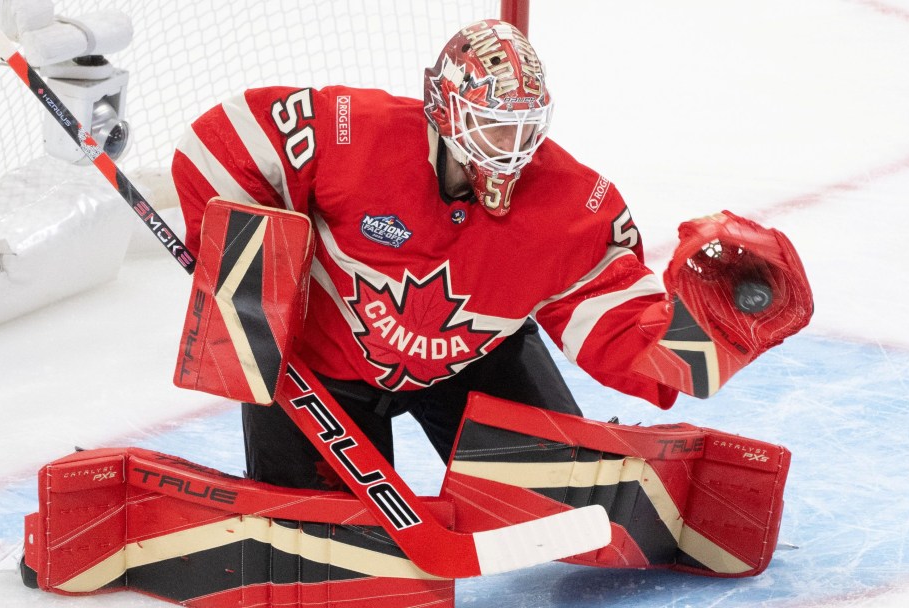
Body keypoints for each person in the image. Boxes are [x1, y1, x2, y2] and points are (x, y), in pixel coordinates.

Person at [172, 19, 812, 490]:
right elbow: (217, 145)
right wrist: (247, 283)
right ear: (446, 110)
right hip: (318, 374)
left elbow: (623, 333)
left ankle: (551, 463)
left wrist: (705, 335)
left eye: (524, 126)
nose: (512, 146)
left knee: (562, 499)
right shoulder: (353, 133)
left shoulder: (572, 205)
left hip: (470, 366)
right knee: (342, 552)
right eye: (493, 123)